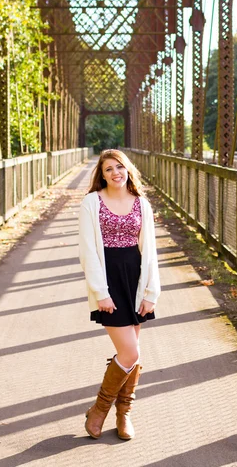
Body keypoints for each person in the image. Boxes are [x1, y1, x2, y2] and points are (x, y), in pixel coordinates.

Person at [78, 149, 161, 441]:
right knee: (131, 352)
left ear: (128, 170)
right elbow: (88, 251)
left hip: (135, 281)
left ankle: (123, 414)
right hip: (108, 280)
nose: (116, 173)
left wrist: (151, 292)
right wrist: (100, 292)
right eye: (109, 169)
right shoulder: (92, 202)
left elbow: (150, 252)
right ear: (102, 174)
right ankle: (100, 409)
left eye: (120, 167)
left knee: (132, 352)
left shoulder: (142, 204)